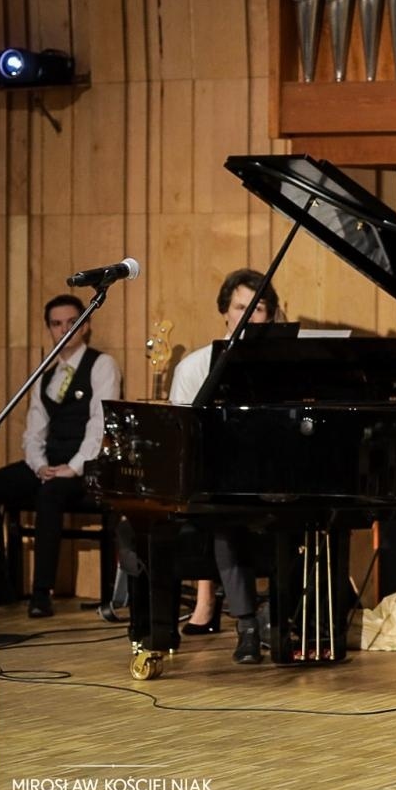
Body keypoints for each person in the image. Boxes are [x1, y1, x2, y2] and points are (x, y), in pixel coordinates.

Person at [0, 295, 122, 617]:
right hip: (49, 461)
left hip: (87, 466)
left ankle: (41, 593)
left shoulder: (102, 365)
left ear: (85, 326)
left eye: (72, 322)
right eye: (56, 324)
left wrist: (73, 468)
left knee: (50, 493)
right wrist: (40, 466)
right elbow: (34, 432)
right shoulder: (46, 375)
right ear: (49, 329)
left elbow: (100, 425)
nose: (64, 330)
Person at [167, 267, 280, 665]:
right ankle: (247, 626)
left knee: (311, 518)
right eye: (239, 307)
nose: (248, 316)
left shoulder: (287, 368)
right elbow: (182, 437)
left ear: (271, 316)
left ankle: (289, 619)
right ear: (224, 311)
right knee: (227, 521)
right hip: (215, 480)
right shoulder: (194, 367)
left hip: (273, 477)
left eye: (258, 309)